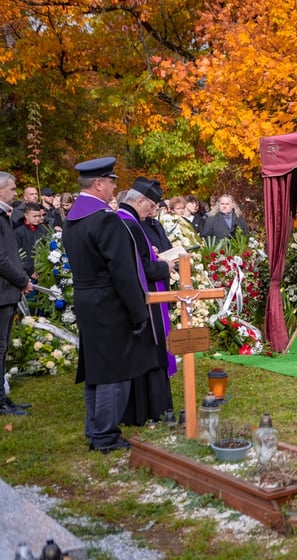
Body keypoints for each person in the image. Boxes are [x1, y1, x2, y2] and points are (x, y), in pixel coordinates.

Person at [63, 157, 159, 453]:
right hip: (110, 302)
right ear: (98, 184)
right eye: (111, 182)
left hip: (87, 299)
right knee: (115, 372)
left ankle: (95, 429)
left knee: (97, 368)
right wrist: (138, 312)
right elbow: (123, 272)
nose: (114, 188)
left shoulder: (74, 218)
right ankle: (105, 435)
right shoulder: (105, 219)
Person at [117, 178, 176, 425]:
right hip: (146, 300)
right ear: (140, 200)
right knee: (152, 352)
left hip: (139, 298)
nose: (151, 212)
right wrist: (164, 267)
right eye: (150, 206)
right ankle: (155, 409)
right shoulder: (130, 223)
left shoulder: (125, 220)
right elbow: (141, 267)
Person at [0, 172, 34, 415]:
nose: (15, 192)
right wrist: (22, 279)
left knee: (2, 347)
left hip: (7, 290)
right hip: (2, 291)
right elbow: (1, 259)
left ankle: (2, 398)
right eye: (11, 189)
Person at [14, 202, 51, 279]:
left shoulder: (44, 230)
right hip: (26, 273)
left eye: (39, 216)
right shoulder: (18, 232)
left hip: (44, 270)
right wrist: (30, 271)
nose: (38, 219)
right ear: (26, 215)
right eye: (34, 216)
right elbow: (18, 253)